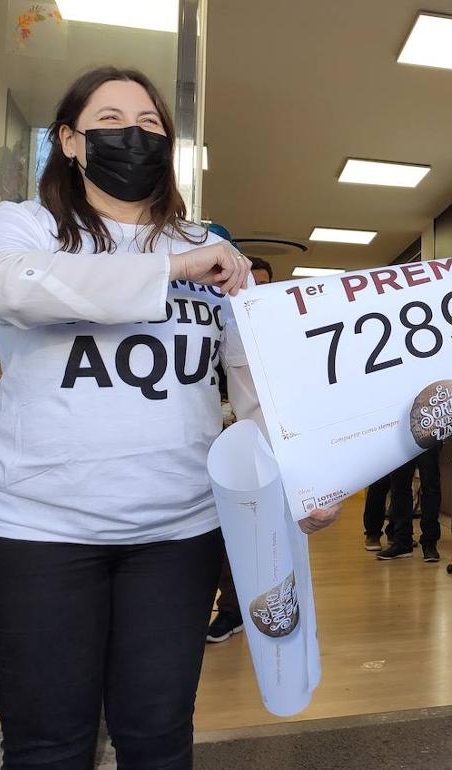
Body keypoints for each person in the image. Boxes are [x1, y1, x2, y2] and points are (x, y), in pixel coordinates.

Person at [0, 67, 338, 770]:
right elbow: (2, 286)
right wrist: (170, 270)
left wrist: (300, 483)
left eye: (149, 124)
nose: (131, 135)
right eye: (109, 121)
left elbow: (250, 384)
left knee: (160, 740)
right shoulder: (24, 226)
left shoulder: (207, 246)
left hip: (177, 537)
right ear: (71, 141)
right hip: (38, 536)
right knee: (49, 748)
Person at [206, 249, 273, 643]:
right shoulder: (213, 321)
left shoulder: (267, 334)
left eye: (261, 286)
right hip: (202, 445)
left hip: (247, 451)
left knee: (243, 533)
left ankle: (234, 610)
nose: (252, 293)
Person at [367, 444, 442, 562]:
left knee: (429, 485)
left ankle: (429, 543)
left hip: (429, 430)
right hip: (399, 434)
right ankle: (403, 541)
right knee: (399, 486)